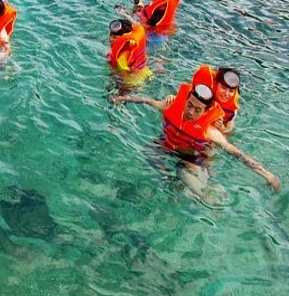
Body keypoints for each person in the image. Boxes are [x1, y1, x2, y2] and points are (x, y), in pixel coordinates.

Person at [113, 83, 280, 194]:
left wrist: (267, 175)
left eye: (198, 110)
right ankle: (167, 180)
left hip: (192, 156)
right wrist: (123, 98)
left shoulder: (210, 131)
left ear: (206, 112)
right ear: (186, 100)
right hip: (167, 144)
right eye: (190, 105)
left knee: (185, 177)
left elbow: (235, 152)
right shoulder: (171, 106)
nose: (191, 112)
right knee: (148, 153)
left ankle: (209, 193)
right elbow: (147, 101)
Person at [190, 65, 240, 134]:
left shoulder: (232, 108)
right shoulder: (203, 91)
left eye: (231, 91)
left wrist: (223, 129)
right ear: (216, 84)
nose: (226, 94)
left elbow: (230, 127)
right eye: (223, 88)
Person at [106, 19, 150, 85]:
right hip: (146, 71)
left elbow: (124, 75)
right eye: (111, 35)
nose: (111, 39)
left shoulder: (122, 56)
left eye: (115, 38)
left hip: (133, 82)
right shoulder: (135, 37)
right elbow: (136, 25)